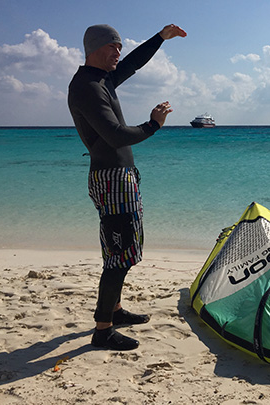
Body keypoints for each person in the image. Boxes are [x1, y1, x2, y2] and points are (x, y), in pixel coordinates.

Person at [68, 23, 187, 350]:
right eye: (113, 47)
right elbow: (116, 135)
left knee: (125, 250)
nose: (118, 53)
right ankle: (103, 329)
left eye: (120, 47)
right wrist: (153, 125)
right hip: (110, 178)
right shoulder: (87, 87)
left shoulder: (101, 80)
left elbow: (133, 63)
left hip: (121, 176)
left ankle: (115, 311)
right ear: (94, 48)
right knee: (118, 255)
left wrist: (160, 38)